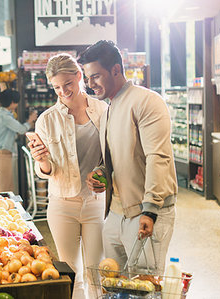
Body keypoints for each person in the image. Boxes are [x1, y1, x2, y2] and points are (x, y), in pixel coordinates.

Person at [79, 40, 178, 275]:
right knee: (115, 283)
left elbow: (158, 157)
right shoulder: (108, 110)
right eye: (88, 78)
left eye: (96, 77)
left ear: (115, 70)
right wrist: (100, 174)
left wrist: (150, 210)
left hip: (146, 211)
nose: (90, 85)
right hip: (115, 213)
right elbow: (112, 161)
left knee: (144, 284)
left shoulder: (147, 101)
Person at [28, 53, 108, 299]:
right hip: (62, 204)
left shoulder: (103, 109)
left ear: (79, 77)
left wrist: (102, 174)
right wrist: (41, 160)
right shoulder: (47, 120)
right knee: (72, 275)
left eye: (68, 84)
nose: (63, 91)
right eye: (57, 87)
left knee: (97, 273)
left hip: (96, 203)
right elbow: (46, 172)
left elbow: (111, 156)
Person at [0, 89, 37, 192]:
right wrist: (31, 119)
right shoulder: (4, 116)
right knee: (5, 189)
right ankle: (4, 208)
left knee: (3, 187)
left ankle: (2, 207)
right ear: (12, 102)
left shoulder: (1, 114)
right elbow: (21, 129)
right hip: (2, 156)